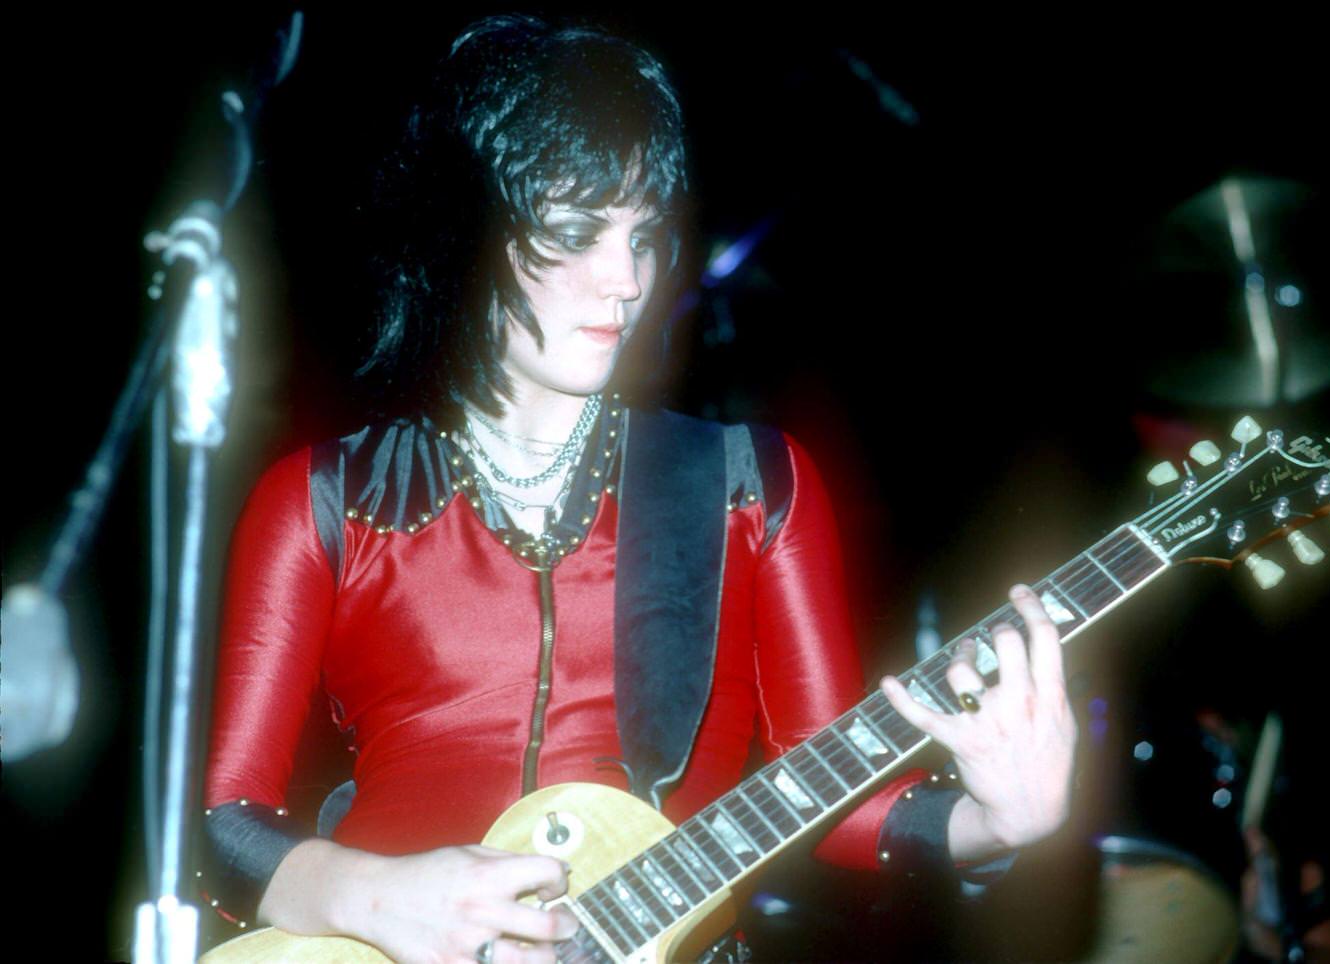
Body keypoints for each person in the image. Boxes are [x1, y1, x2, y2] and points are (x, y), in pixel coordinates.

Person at [201, 15, 1076, 964]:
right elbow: (227, 826)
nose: (626, 280)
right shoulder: (325, 501)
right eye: (577, 233)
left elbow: (833, 802)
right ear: (468, 232)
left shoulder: (747, 483)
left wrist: (996, 824)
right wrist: (381, 899)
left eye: (645, 237)